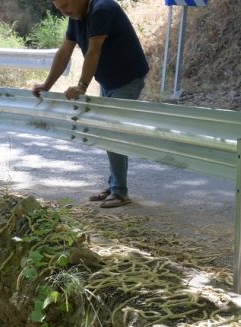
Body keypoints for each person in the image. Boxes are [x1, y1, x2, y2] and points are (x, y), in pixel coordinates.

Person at [30, 0, 149, 208]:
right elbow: (65, 51)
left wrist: (82, 86)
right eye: (59, 9)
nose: (64, 11)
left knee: (112, 131)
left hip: (128, 79)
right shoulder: (77, 17)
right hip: (109, 80)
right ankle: (114, 185)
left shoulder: (101, 9)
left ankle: (120, 192)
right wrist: (47, 84)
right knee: (106, 132)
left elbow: (94, 50)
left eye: (66, 5)